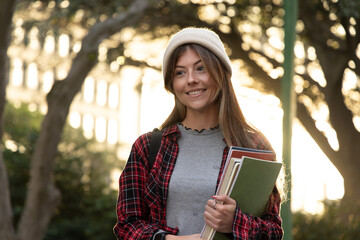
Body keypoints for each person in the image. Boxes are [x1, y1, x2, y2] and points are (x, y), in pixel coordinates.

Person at [113, 27, 283, 240]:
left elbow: (274, 231)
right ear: (172, 84)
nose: (191, 79)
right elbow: (127, 226)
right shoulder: (148, 147)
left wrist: (236, 222)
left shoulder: (254, 147)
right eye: (180, 72)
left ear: (220, 74)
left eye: (201, 68)